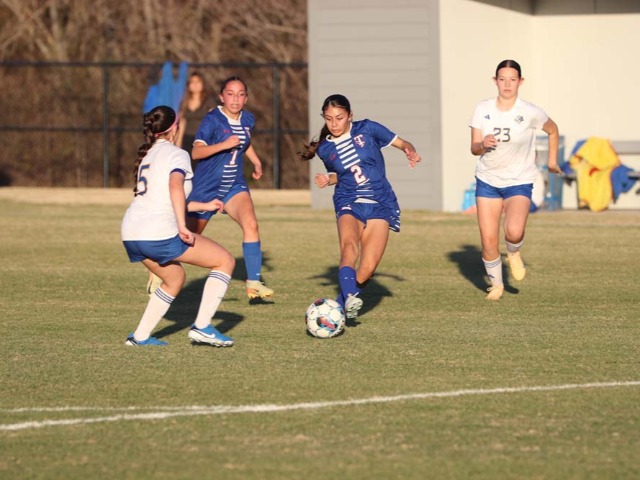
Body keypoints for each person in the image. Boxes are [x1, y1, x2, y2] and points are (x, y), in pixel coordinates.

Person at [298, 94, 421, 319]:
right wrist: (329, 179)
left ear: (350, 116)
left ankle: (336, 309)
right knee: (349, 247)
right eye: (329, 119)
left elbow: (403, 143)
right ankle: (346, 301)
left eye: (339, 118)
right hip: (348, 201)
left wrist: (409, 151)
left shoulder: (368, 129)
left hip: (379, 203)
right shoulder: (325, 149)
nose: (334, 124)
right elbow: (343, 175)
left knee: (367, 268)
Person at [121, 105, 235, 347]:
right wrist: (183, 226)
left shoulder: (148, 155)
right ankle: (202, 327)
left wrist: (204, 205)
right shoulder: (177, 154)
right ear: (175, 127)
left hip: (131, 233)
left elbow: (169, 198)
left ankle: (139, 337)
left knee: (174, 278)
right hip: (157, 232)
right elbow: (175, 186)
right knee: (225, 261)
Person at [469, 59, 561, 301]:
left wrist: (552, 162)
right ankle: (497, 285)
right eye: (502, 79)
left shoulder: (530, 111)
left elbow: (553, 130)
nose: (507, 84)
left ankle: (513, 252)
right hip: (487, 180)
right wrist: (482, 144)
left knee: (514, 231)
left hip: (519, 180)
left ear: (520, 82)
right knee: (488, 240)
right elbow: (474, 148)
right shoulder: (482, 108)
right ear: (495, 81)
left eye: (512, 80)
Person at [186, 75, 274, 300]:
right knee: (186, 238)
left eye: (240, 95)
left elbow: (245, 141)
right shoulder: (212, 120)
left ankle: (253, 283)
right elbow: (196, 152)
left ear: (246, 98)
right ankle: (159, 272)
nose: (235, 99)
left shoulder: (248, 119)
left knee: (251, 224)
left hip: (234, 186)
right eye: (230, 94)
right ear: (221, 97)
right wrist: (223, 145)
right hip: (206, 188)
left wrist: (255, 161)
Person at [176, 71, 217, 159]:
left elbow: (213, 122)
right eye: (192, 82)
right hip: (187, 139)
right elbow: (182, 123)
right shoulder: (184, 101)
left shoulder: (209, 101)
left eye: (198, 81)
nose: (195, 84)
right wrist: (178, 144)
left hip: (203, 140)